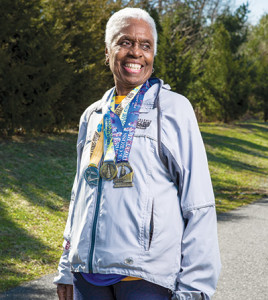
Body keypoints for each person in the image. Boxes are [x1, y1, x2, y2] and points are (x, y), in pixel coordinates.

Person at [54, 7, 221, 300]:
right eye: (125, 42)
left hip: (145, 279)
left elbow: (198, 203)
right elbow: (79, 194)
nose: (136, 53)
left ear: (153, 56)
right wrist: (67, 266)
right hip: (87, 278)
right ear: (108, 52)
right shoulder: (93, 115)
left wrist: (194, 290)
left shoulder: (174, 110)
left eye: (146, 45)